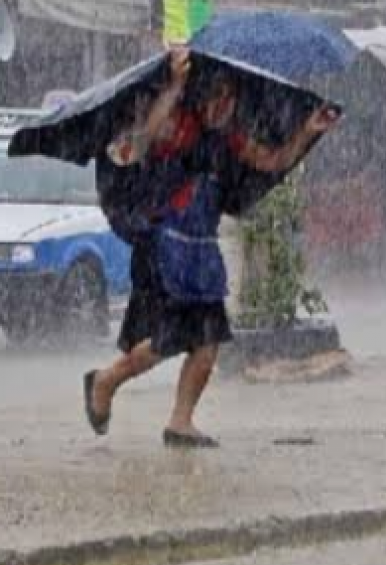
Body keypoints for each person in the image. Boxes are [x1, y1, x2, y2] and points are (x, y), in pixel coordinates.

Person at [83, 48, 339, 448]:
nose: (224, 107)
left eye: (230, 100)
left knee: (208, 337)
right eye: (217, 98)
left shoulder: (229, 140)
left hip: (201, 253)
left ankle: (180, 422)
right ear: (202, 97)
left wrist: (309, 130)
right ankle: (106, 380)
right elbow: (144, 139)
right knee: (171, 337)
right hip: (164, 248)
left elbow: (272, 162)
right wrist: (176, 86)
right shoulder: (177, 125)